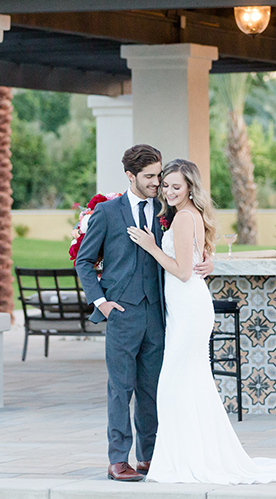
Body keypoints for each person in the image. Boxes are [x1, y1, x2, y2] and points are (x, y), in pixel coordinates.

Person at [130, 158, 276, 484]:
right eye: (166, 185)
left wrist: (152, 247)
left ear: (189, 188)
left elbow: (183, 271)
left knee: (172, 384)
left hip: (189, 310)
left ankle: (185, 461)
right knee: (188, 384)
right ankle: (191, 457)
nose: (168, 191)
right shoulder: (185, 215)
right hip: (188, 308)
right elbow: (197, 260)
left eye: (176, 186)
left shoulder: (184, 218)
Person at [75, 144, 213, 482]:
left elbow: (190, 245)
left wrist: (208, 260)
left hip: (160, 314)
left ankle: (150, 457)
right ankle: (118, 459)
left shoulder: (165, 210)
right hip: (122, 313)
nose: (158, 183)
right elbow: (83, 260)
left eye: (160, 175)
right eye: (150, 177)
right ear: (130, 176)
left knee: (153, 388)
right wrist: (102, 302)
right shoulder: (107, 212)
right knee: (120, 388)